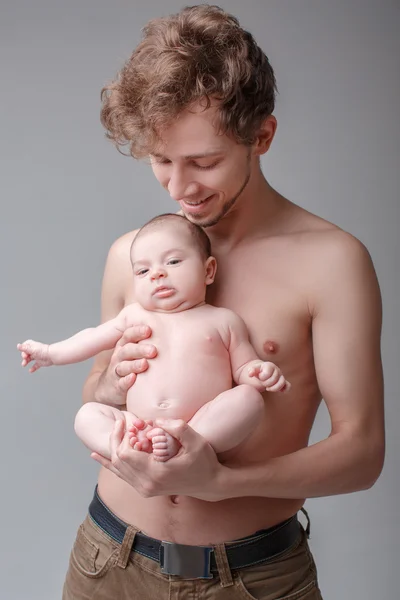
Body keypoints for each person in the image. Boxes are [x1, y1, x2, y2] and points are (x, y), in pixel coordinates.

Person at [60, 4, 385, 599]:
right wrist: (107, 388)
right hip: (107, 563)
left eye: (203, 162)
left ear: (261, 135)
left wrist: (219, 483)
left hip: (254, 580)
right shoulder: (132, 255)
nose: (180, 188)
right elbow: (97, 388)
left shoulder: (331, 261)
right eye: (162, 161)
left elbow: (362, 454)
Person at [18, 213, 290, 462]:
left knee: (249, 399)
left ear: (208, 271)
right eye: (143, 271)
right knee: (86, 416)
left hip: (199, 423)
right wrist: (51, 353)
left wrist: (259, 372)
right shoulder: (133, 315)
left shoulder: (224, 321)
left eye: (173, 262)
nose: (157, 274)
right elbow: (90, 338)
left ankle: (188, 443)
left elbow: (243, 368)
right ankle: (127, 450)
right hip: (137, 425)